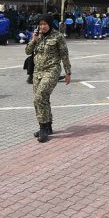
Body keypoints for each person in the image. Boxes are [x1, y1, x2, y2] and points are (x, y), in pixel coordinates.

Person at [25, 14, 72, 142]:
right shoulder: (37, 36)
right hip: (37, 72)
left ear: (50, 24)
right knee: (43, 99)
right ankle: (48, 126)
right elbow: (27, 51)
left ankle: (43, 128)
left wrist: (68, 72)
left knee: (39, 97)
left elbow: (64, 55)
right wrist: (34, 40)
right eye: (40, 24)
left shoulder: (58, 37)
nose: (42, 26)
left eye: (45, 24)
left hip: (52, 70)